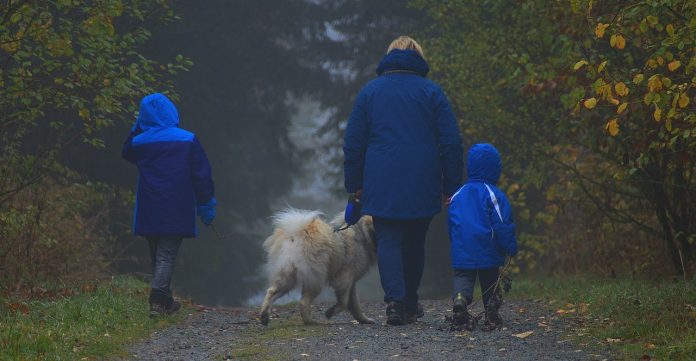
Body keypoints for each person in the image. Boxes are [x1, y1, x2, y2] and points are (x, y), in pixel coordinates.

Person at [343, 36, 463, 325]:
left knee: (388, 238)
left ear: (388, 57)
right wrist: (452, 187)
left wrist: (354, 185)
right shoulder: (432, 92)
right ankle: (409, 302)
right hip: (422, 179)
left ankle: (395, 302)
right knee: (414, 240)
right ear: (418, 58)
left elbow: (353, 144)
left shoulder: (370, 93)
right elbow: (451, 142)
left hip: (381, 179)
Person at [122, 93, 217, 317]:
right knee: (166, 255)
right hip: (177, 206)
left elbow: (125, 152)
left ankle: (166, 302)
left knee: (157, 254)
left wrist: (138, 127)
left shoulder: (139, 142)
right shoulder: (187, 139)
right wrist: (206, 204)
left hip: (149, 206)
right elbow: (201, 174)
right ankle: (157, 301)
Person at [448, 143, 517, 331]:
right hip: (488, 248)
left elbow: (453, 223)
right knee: (490, 279)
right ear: (496, 168)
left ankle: (460, 299)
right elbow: (502, 223)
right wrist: (510, 246)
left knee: (463, 276)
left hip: (462, 248)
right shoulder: (494, 194)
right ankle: (491, 311)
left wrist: (455, 244)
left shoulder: (458, 194)